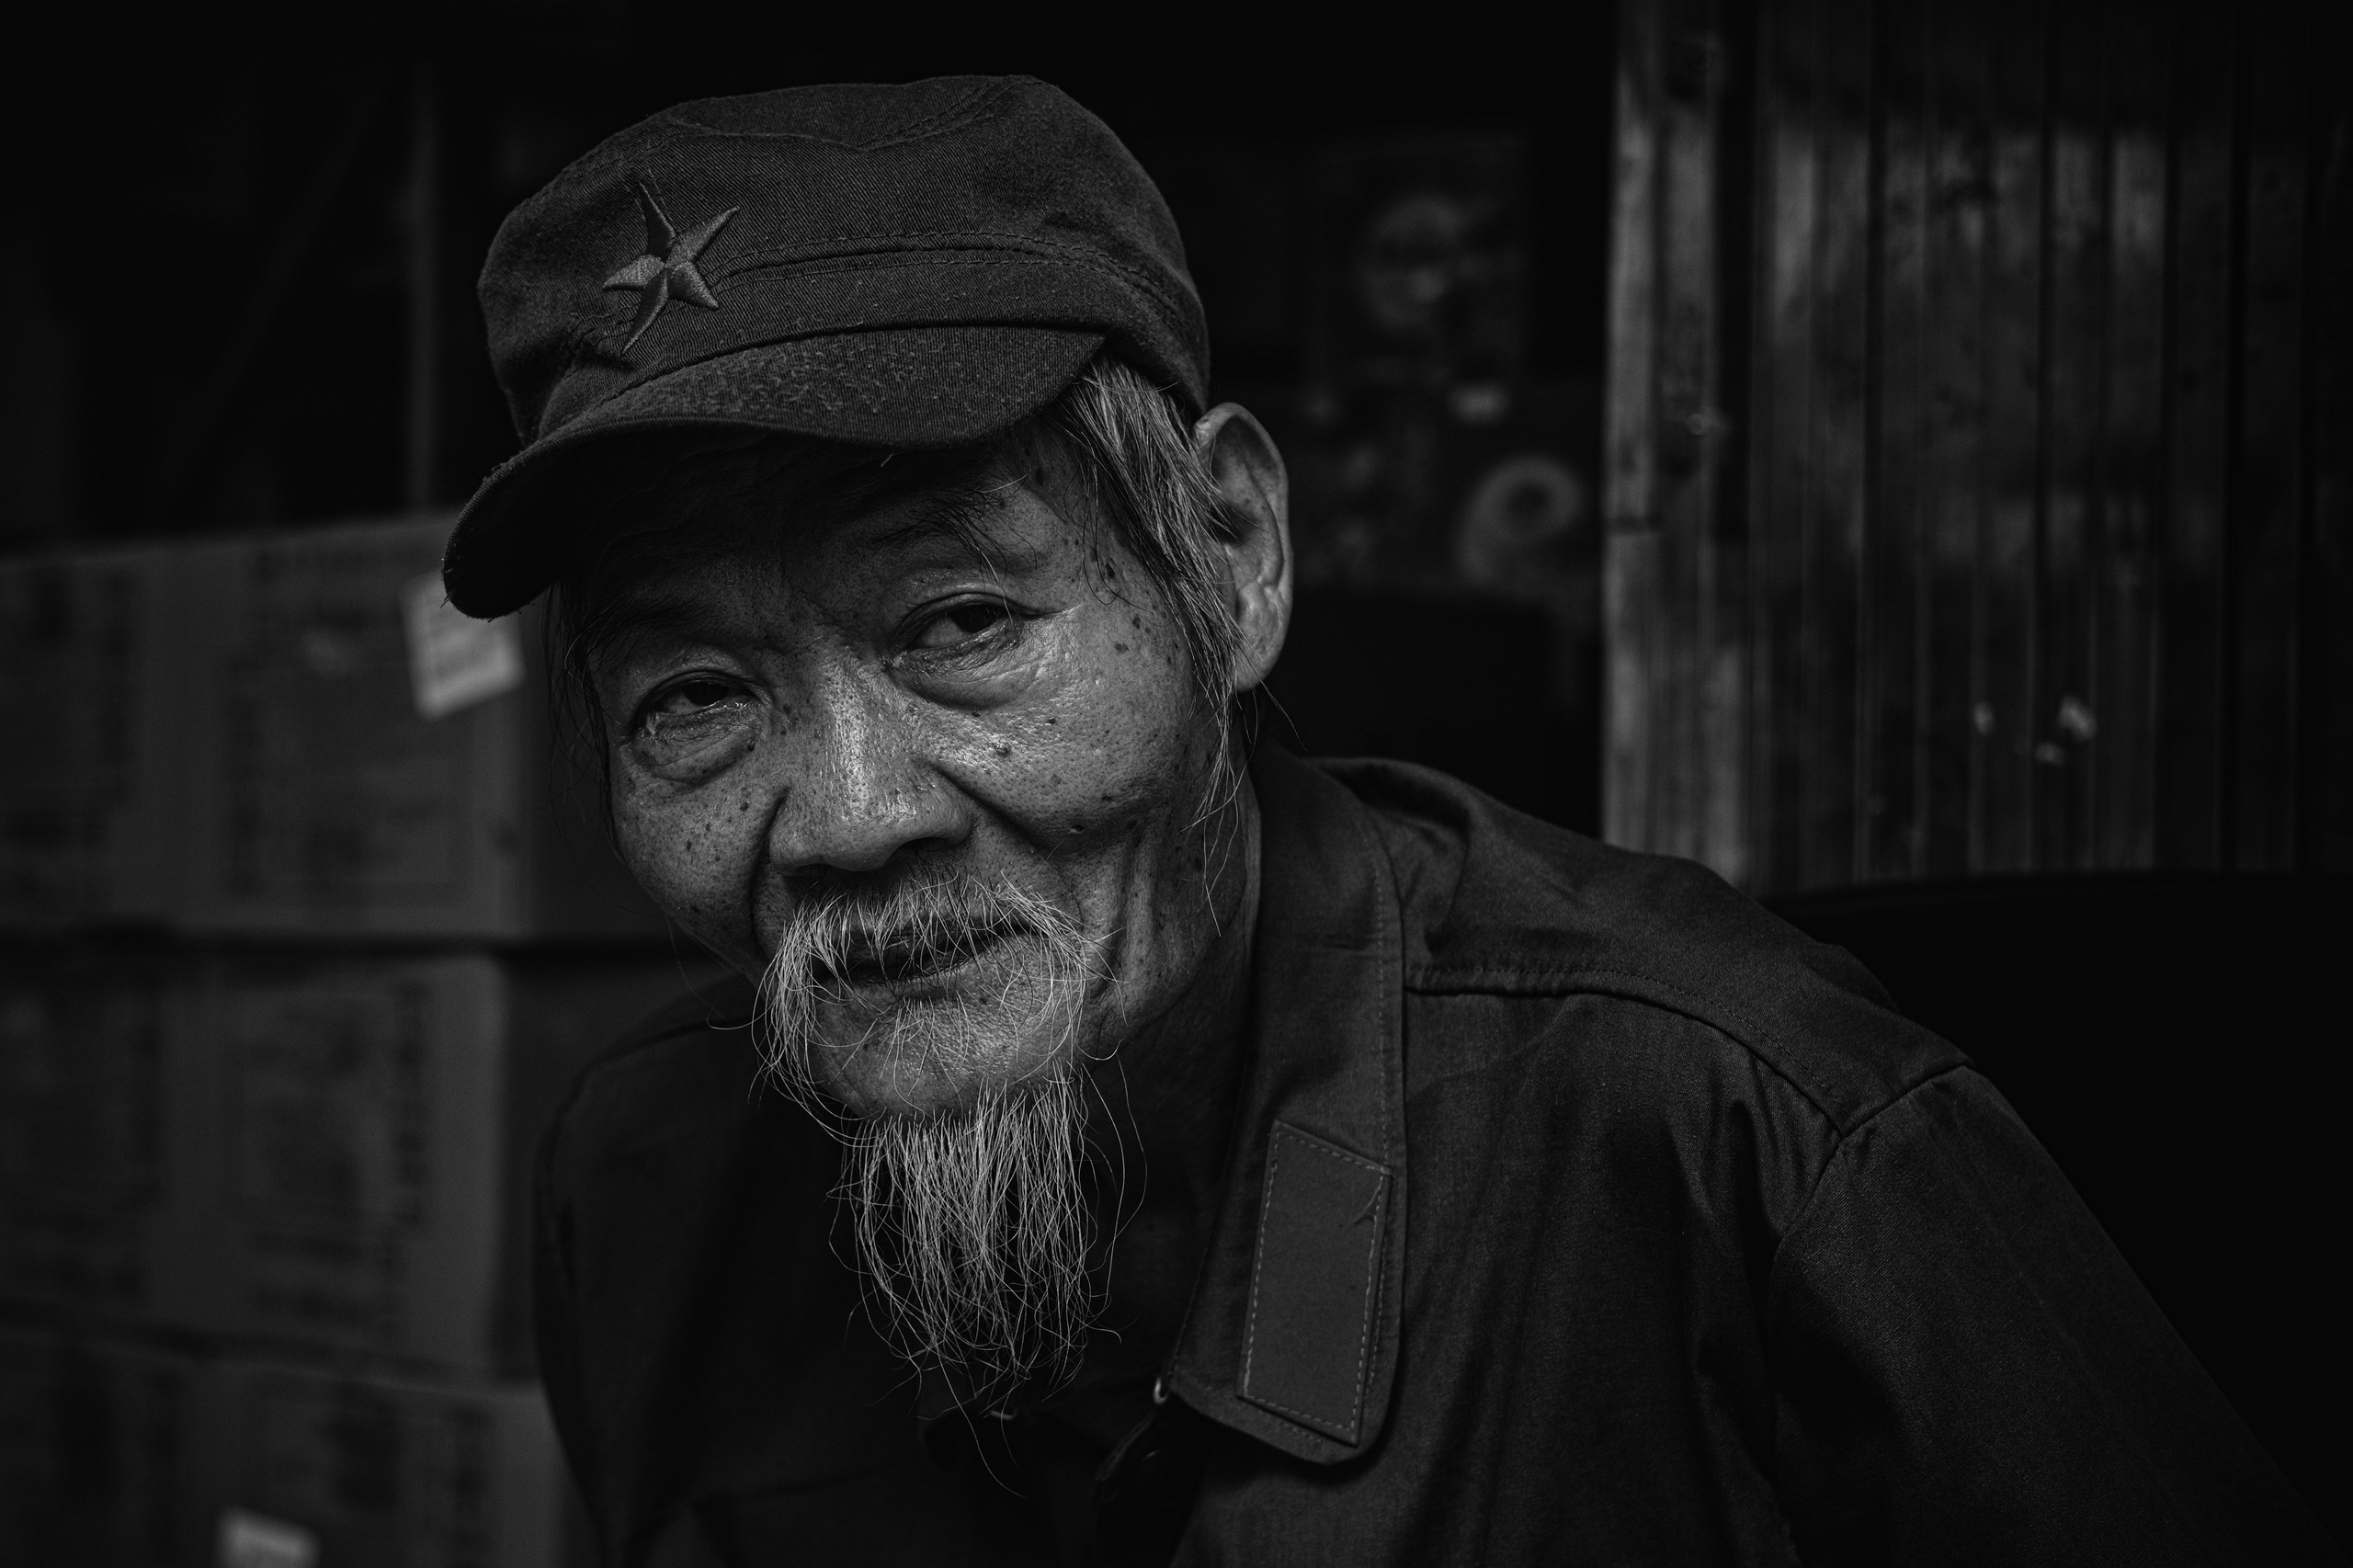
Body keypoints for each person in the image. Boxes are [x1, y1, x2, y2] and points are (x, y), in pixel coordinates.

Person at [443, 75, 2337, 1567]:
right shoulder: (648, 1186)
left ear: (1233, 563)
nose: (847, 817)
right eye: (696, 698)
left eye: (958, 622)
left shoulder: (1745, 1149)